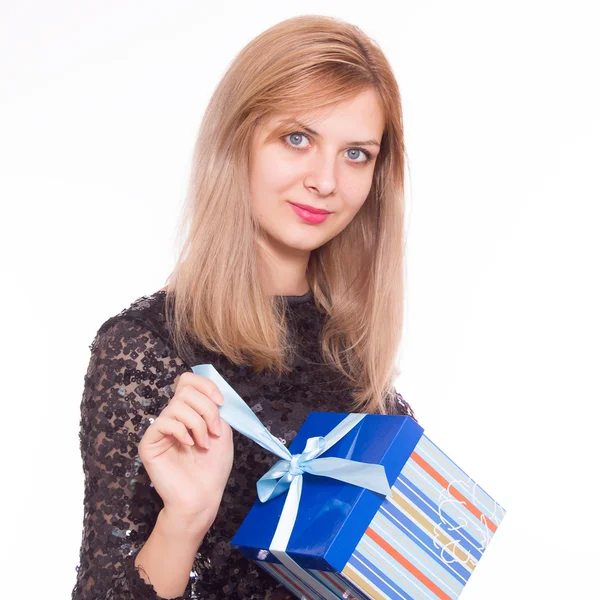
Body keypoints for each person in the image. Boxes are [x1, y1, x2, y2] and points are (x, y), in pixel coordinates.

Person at [71, 14, 417, 600]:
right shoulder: (147, 351)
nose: (326, 181)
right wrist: (183, 520)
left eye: (356, 153)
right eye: (297, 138)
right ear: (238, 142)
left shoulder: (363, 374)